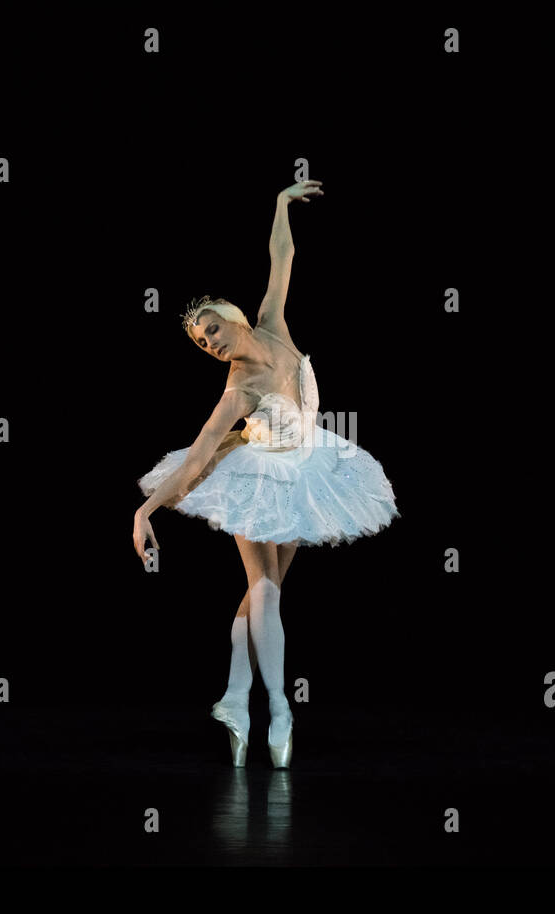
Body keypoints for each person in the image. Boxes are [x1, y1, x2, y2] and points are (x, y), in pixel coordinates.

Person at [132, 180, 399, 770]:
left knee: (264, 597)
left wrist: (279, 204)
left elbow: (283, 258)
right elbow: (202, 454)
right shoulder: (237, 391)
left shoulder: (273, 324)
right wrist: (146, 510)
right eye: (202, 343)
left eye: (213, 331)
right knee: (266, 588)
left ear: (231, 317)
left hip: (306, 469)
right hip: (257, 478)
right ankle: (279, 710)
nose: (210, 344)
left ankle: (232, 699)